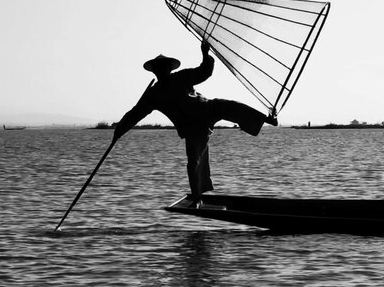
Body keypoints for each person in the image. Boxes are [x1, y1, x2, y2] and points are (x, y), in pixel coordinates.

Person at [113, 40, 277, 204]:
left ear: (169, 68)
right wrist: (120, 130)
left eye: (165, 67)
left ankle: (266, 118)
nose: (162, 70)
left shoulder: (181, 77)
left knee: (232, 107)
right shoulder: (153, 94)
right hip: (192, 128)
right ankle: (198, 198)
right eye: (159, 68)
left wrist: (205, 54)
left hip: (206, 109)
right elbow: (135, 113)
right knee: (194, 162)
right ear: (155, 71)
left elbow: (204, 72)